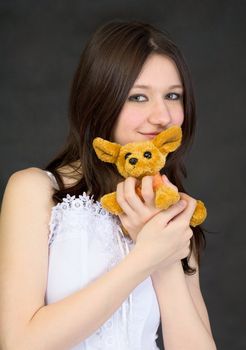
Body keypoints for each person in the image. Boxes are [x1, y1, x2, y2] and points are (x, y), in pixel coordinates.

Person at [0, 19, 217, 350]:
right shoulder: (35, 190)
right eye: (138, 97)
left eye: (173, 95)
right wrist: (146, 256)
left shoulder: (174, 210)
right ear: (100, 98)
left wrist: (166, 258)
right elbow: (21, 343)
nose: (162, 116)